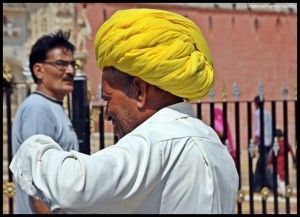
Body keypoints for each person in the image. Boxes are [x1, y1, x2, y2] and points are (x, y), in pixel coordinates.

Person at [10, 9, 239, 214]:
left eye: (108, 99)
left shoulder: (156, 142)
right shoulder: (215, 146)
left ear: (139, 91)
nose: (107, 113)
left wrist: (32, 149)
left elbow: (72, 186)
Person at [11, 30, 79, 214]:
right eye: (61, 64)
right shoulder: (38, 109)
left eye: (73, 64)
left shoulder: (52, 107)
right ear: (38, 70)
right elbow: (36, 179)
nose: (70, 71)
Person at [252, 95, 273, 192]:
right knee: (261, 164)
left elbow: (258, 130)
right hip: (270, 141)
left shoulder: (257, 113)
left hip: (262, 142)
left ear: (256, 103)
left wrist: (254, 143)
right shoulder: (268, 113)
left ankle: (271, 186)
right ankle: (258, 186)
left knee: (264, 164)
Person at [267, 129, 296, 196]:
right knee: (282, 177)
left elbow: (273, 154)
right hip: (285, 163)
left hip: (278, 164)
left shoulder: (277, 144)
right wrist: (294, 160)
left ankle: (283, 192)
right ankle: (280, 191)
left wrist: (269, 162)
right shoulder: (286, 143)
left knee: (279, 178)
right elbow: (291, 151)